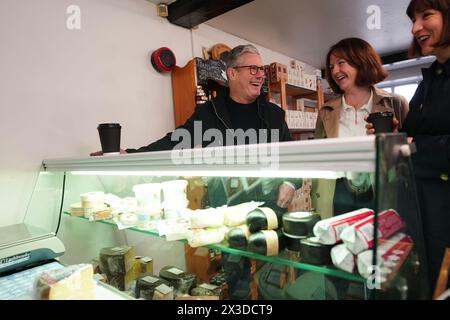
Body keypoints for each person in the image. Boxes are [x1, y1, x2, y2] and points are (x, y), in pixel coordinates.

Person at [92, 44, 300, 299]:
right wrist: (131, 154)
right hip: (228, 211)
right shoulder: (210, 112)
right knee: (237, 279)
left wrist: (291, 182)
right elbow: (176, 140)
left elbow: (293, 156)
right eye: (253, 68)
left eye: (261, 69)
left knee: (271, 281)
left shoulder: (274, 114)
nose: (260, 75)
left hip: (269, 209)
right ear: (232, 73)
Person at [313, 37, 409, 219]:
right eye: (331, 66)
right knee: (338, 244)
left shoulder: (396, 103)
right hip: (338, 192)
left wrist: (395, 143)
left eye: (341, 63)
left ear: (361, 61)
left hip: (380, 190)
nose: (334, 71)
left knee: (378, 243)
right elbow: (320, 157)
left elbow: (411, 152)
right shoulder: (326, 111)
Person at [401, 0, 450, 296]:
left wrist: (414, 145)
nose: (415, 27)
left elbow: (419, 143)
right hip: (424, 213)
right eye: (413, 19)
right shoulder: (432, 76)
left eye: (426, 15)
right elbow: (415, 133)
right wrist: (398, 134)